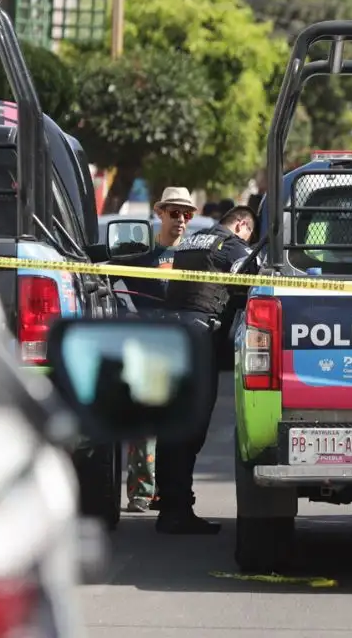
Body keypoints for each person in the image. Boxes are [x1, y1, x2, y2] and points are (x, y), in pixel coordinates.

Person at [153, 206, 258, 535]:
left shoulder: (191, 240)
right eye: (248, 233)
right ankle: (178, 511)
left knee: (170, 423)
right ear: (241, 224)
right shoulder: (235, 247)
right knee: (192, 426)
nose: (247, 239)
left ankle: (170, 506)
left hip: (169, 336)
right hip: (199, 337)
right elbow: (254, 284)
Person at [121, 187, 197, 513]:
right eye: (174, 212)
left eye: (186, 214)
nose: (181, 219)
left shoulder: (197, 256)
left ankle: (171, 493)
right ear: (159, 213)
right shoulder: (141, 254)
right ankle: (141, 492)